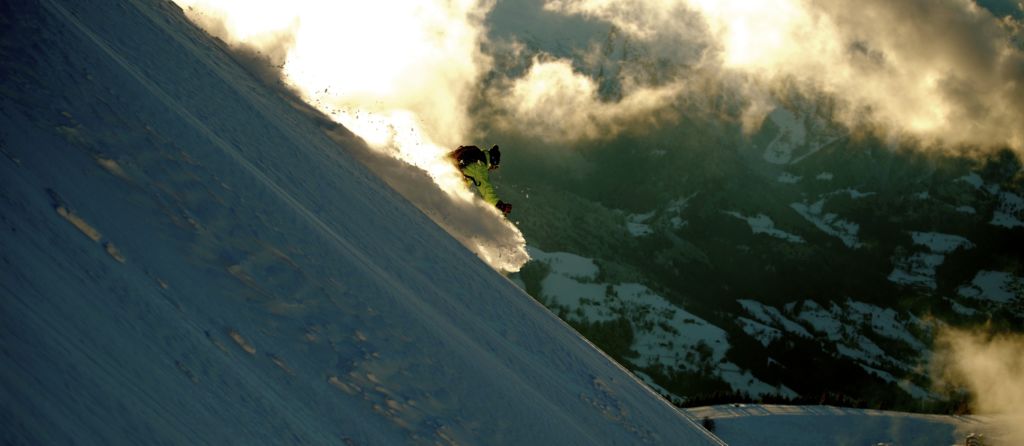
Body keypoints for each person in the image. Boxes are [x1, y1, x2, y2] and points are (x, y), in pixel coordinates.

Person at [449, 145, 512, 214]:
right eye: (494, 167)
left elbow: (467, 176)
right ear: (491, 163)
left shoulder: (476, 154)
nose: (491, 169)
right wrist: (500, 206)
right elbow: (486, 190)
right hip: (450, 174)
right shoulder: (480, 168)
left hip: (448, 166)